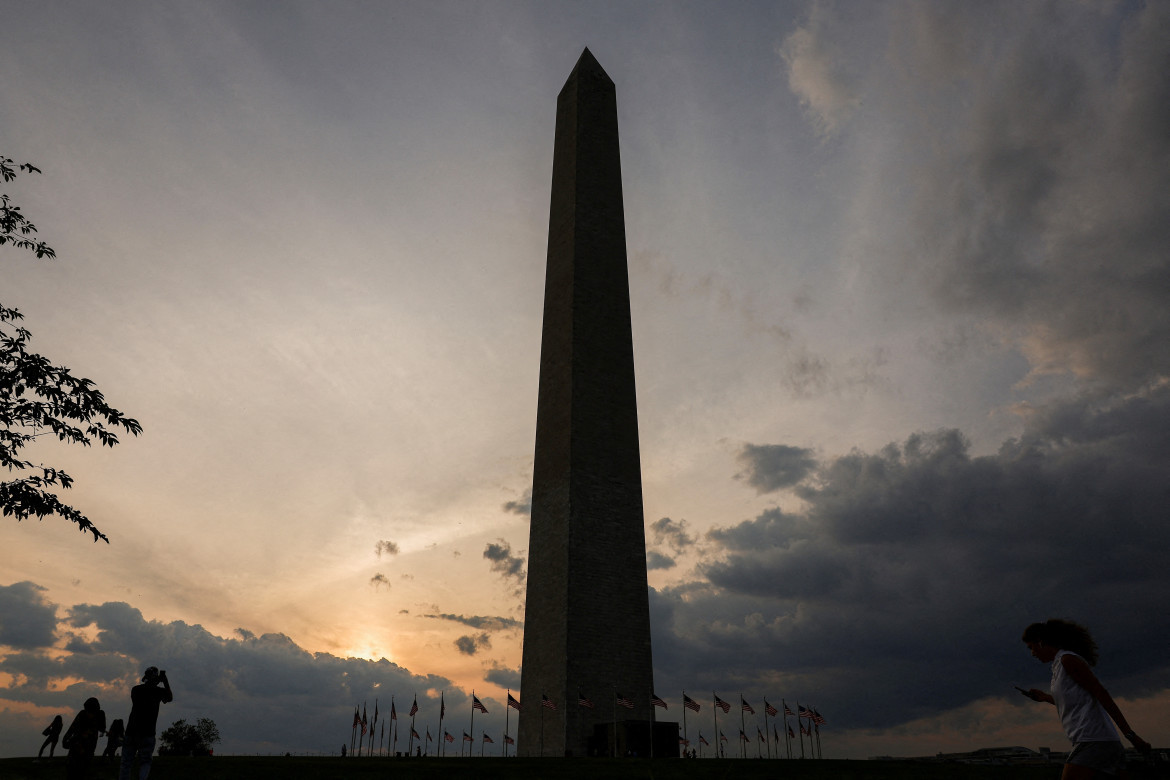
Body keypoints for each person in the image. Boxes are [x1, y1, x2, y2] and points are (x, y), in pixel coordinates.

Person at [1021, 619, 1151, 778]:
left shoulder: (1067, 660)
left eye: (1031, 647)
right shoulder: (1057, 666)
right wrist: (1046, 698)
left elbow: (1101, 694)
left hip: (1094, 739)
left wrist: (1131, 735)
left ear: (1040, 642)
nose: (1032, 653)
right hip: (1094, 741)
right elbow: (1075, 701)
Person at [119, 666, 173, 780]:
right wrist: (165, 681)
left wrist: (156, 681)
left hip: (132, 731)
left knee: (126, 762)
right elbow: (169, 698)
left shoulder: (136, 689)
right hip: (148, 732)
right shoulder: (158, 691)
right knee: (145, 762)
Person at [62, 697, 106, 780]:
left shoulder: (99, 715)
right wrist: (65, 739)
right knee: (73, 769)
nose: (88, 713)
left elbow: (102, 729)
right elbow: (73, 727)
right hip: (78, 744)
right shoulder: (83, 714)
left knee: (82, 769)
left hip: (88, 746)